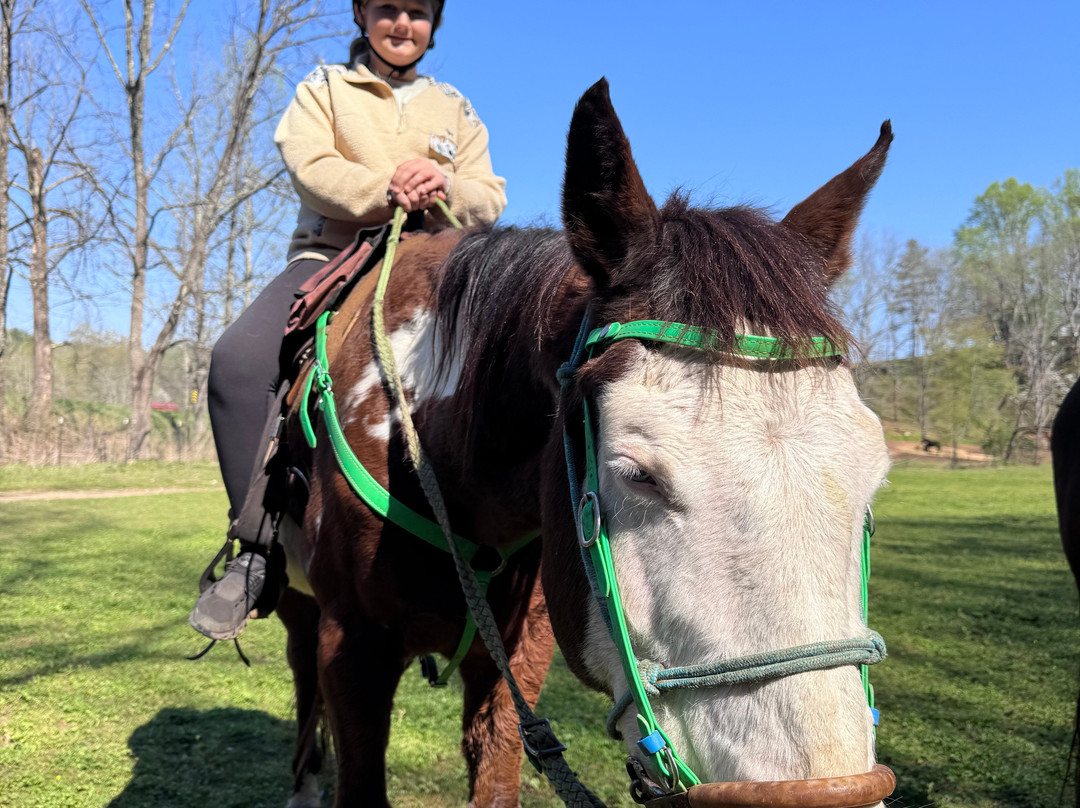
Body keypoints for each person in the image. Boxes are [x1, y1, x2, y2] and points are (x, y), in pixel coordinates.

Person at [188, 0, 507, 642]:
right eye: (387, 8)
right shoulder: (324, 88)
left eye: (418, 12)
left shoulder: (456, 108)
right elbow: (309, 164)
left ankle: (524, 536)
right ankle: (259, 550)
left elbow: (490, 194)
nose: (402, 24)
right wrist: (387, 186)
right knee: (239, 360)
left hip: (440, 263)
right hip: (336, 254)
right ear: (362, 15)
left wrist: (442, 183)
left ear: (433, 24)